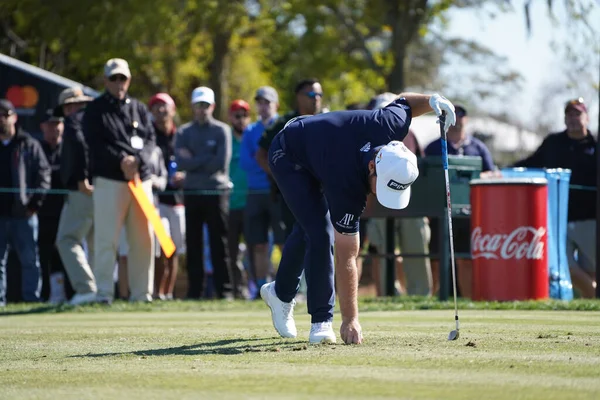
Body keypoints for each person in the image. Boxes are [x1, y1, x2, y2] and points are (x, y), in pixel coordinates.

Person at [260, 92, 456, 344]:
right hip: (289, 152)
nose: (378, 194)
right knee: (320, 232)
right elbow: (346, 256)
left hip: (322, 151)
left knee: (309, 222)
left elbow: (405, 101)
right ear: (372, 167)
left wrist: (432, 101)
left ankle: (280, 293)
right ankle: (321, 320)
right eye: (381, 186)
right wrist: (350, 319)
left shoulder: (389, 124)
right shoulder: (347, 185)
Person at [83, 58, 156, 304]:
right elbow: (95, 143)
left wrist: (137, 161)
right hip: (109, 182)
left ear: (129, 80)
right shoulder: (95, 109)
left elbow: (150, 141)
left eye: (122, 78)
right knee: (106, 239)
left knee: (143, 240)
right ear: (105, 80)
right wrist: (122, 161)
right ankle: (103, 293)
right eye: (113, 78)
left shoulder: (139, 108)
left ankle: (142, 295)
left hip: (139, 180)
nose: (118, 83)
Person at [513, 98, 596, 297]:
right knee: (565, 266)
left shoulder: (596, 145)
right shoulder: (553, 143)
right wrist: (505, 169)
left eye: (577, 114)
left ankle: (591, 305)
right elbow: (532, 162)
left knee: (592, 269)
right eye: (569, 114)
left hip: (590, 219)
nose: (573, 118)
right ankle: (594, 295)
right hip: (557, 218)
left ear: (587, 118)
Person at [364, 93, 432, 297]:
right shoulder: (367, 133)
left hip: (411, 204)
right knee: (383, 252)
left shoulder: (410, 134)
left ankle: (420, 296)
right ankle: (387, 295)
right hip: (378, 203)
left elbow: (421, 168)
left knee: (416, 249)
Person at [424, 105, 495, 299]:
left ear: (466, 119)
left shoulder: (478, 147)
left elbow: (493, 172)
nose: (456, 120)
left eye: (460, 115)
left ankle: (468, 299)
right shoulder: (433, 147)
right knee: (437, 258)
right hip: (440, 211)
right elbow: (424, 177)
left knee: (465, 258)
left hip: (468, 212)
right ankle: (434, 298)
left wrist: (474, 175)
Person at [175, 86, 233, 299]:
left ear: (213, 107)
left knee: (220, 244)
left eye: (206, 105)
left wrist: (194, 160)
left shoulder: (222, 130)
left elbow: (219, 163)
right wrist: (203, 158)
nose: (202, 109)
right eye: (199, 105)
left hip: (216, 193)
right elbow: (181, 162)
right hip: (192, 192)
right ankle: (194, 292)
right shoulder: (183, 132)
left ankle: (224, 291)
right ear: (193, 107)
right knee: (193, 244)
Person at [0, 99, 51, 305]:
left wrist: (33, 205)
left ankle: (31, 301)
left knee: (30, 261)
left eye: (5, 115)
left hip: (24, 215)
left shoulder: (28, 144)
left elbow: (44, 175)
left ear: (14, 117)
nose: (1, 119)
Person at [55, 86, 97, 306]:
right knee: (94, 242)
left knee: (66, 240)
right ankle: (101, 291)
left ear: (69, 106)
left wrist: (81, 178)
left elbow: (80, 147)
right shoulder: (95, 121)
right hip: (101, 188)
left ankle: (86, 288)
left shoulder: (73, 121)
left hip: (82, 189)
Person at [239, 86, 283, 292]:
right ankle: (261, 287)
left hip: (279, 193)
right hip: (255, 192)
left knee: (284, 243)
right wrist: (268, 167)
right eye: (260, 102)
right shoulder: (249, 131)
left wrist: (269, 167)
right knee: (258, 244)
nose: (263, 106)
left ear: (276, 104)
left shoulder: (283, 126)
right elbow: (246, 163)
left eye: (267, 102)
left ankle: (288, 287)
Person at [150, 93, 185, 300]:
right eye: (156, 107)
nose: (161, 111)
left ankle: (168, 293)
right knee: (162, 247)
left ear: (173, 110)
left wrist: (185, 175)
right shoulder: (149, 136)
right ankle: (157, 292)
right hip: (156, 201)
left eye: (165, 107)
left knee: (175, 249)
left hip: (178, 201)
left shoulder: (181, 136)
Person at [38, 108, 73, 303]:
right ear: (43, 127)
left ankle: (68, 296)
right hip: (43, 213)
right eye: (50, 125)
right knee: (44, 257)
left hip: (67, 211)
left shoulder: (69, 149)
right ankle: (44, 296)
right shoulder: (36, 148)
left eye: (58, 124)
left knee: (65, 255)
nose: (55, 129)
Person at [228, 99, 252, 299]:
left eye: (244, 115)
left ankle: (256, 290)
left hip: (252, 201)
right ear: (230, 117)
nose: (241, 119)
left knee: (255, 250)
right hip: (229, 204)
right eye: (237, 115)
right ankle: (237, 290)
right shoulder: (225, 138)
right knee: (232, 252)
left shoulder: (252, 137)